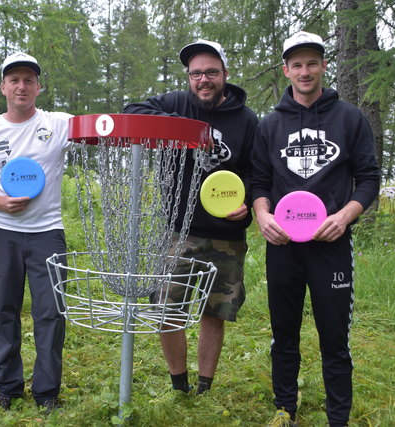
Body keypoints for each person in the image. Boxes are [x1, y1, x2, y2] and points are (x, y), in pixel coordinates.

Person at [251, 31, 380, 427]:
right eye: (296, 64)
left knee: (334, 340)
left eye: (312, 63)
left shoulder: (350, 118)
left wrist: (344, 217)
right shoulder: (270, 124)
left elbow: (369, 178)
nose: (304, 71)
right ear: (286, 69)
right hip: (284, 246)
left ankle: (337, 417)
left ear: (324, 65)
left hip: (331, 245)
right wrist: (262, 215)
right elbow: (258, 182)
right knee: (283, 333)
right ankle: (284, 410)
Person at [123, 39, 258, 395]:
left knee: (216, 313)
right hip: (177, 230)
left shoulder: (246, 120)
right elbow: (131, 110)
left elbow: (256, 172)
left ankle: (205, 386)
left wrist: (247, 205)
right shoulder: (177, 103)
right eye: (196, 73)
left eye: (211, 72)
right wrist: (178, 126)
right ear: (189, 77)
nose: (203, 80)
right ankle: (179, 383)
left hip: (227, 233)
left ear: (225, 75)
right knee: (168, 311)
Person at [0, 52, 71, 414]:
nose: (21, 86)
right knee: (5, 311)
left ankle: (47, 393)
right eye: (14, 80)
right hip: (3, 234)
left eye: (29, 80)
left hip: (48, 234)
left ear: (39, 87)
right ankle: (7, 390)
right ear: (3, 87)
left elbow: (100, 131)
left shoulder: (60, 124)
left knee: (51, 314)